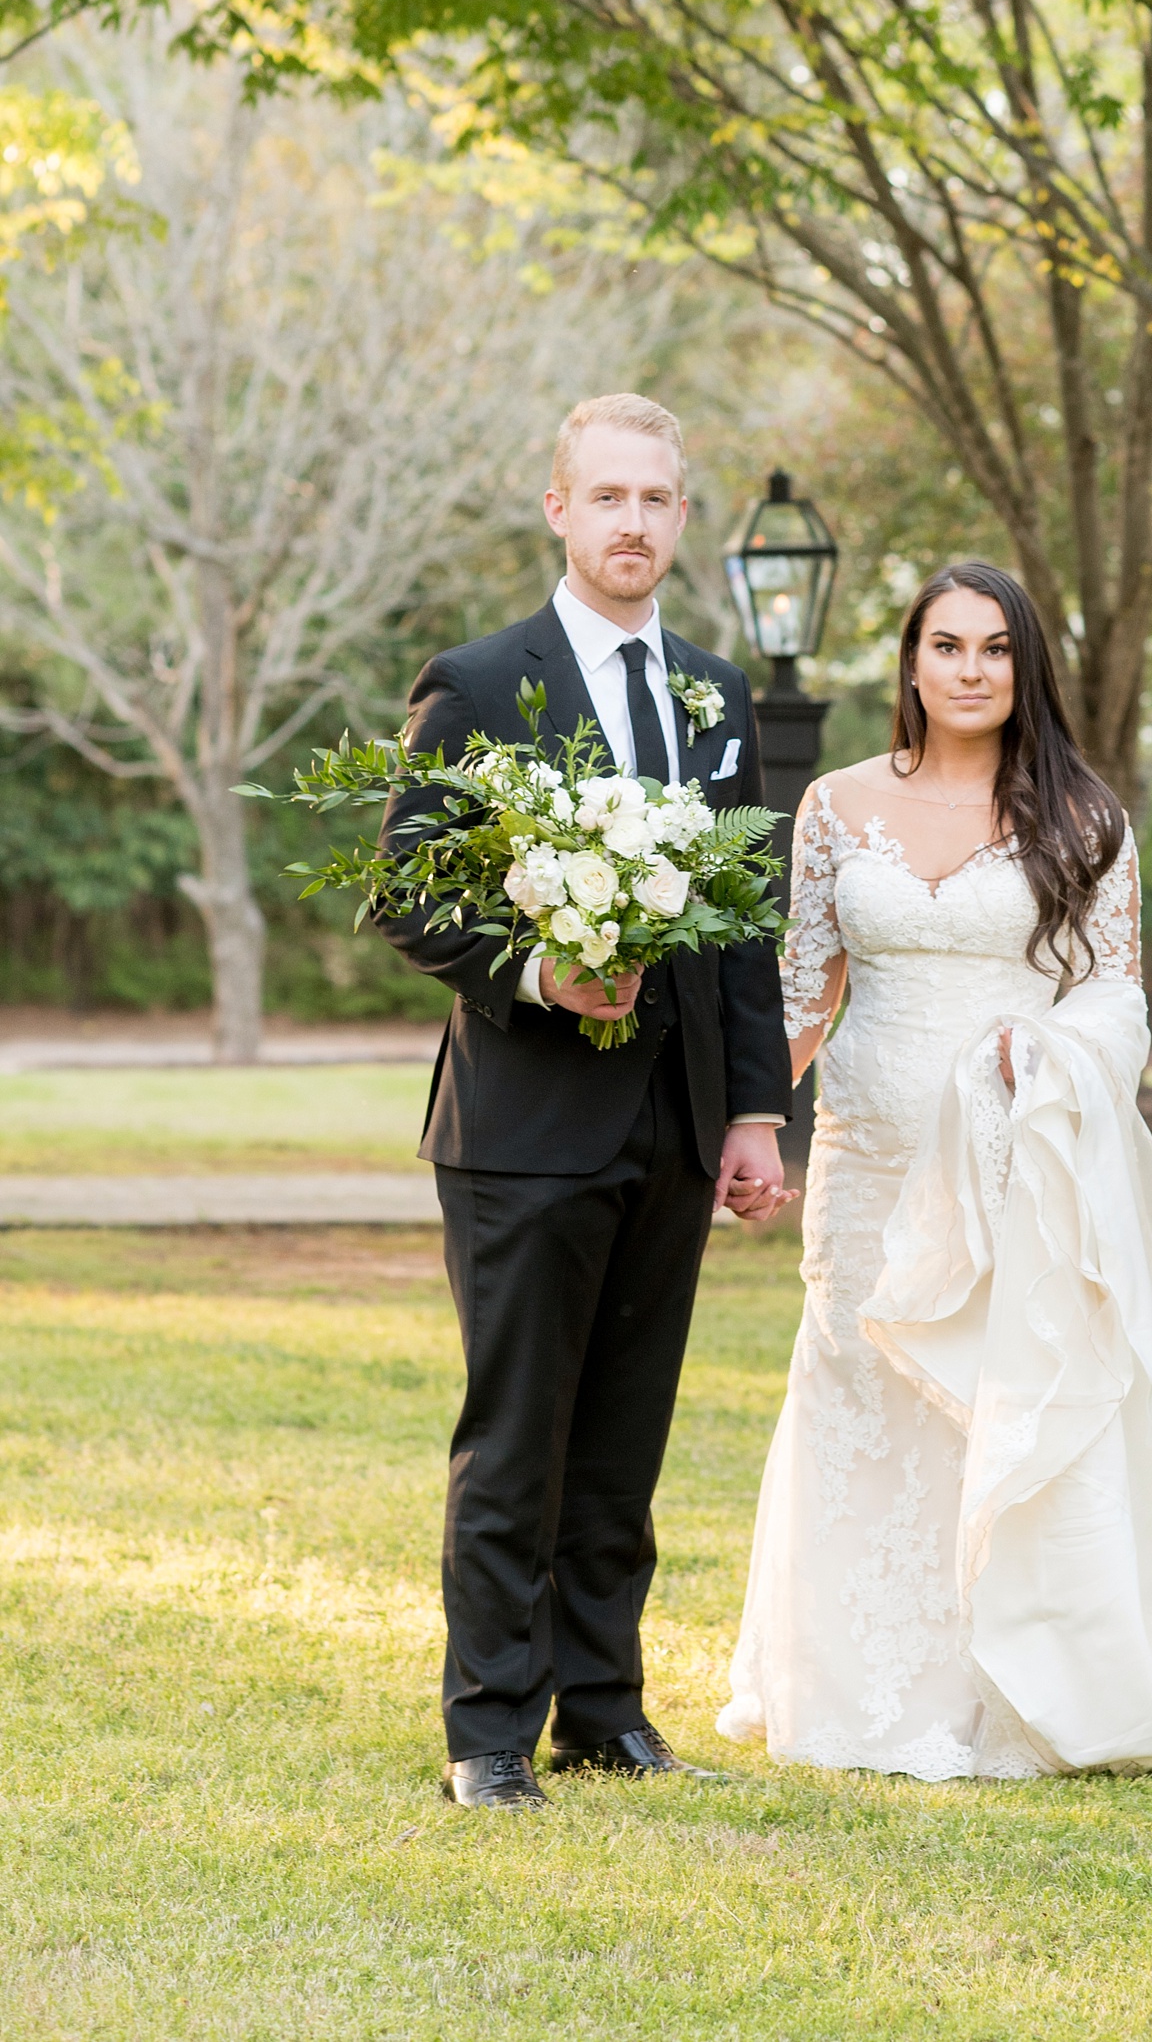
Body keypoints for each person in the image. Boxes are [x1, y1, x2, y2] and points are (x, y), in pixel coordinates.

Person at [718, 561, 1152, 1779]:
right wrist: (742, 1127)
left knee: (989, 1405)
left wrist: (1045, 1050)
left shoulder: (1083, 818)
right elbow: (800, 990)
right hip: (866, 1164)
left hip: (1011, 1165)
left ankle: (1008, 1691)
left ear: (1023, 668)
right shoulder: (834, 808)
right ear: (909, 662)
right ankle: (843, 1692)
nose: (969, 670)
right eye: (947, 647)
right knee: (858, 1397)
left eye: (995, 650)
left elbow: (1113, 987)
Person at [376, 393, 794, 1809]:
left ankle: (600, 1707)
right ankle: (489, 1727)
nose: (632, 521)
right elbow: (408, 889)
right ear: (558, 507)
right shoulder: (481, 678)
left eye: (657, 498)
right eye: (606, 495)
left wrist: (753, 1111)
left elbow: (743, 921)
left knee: (624, 1435)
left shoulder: (717, 695)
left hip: (674, 1125)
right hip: (523, 1128)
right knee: (517, 1435)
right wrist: (543, 971)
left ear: (683, 515)